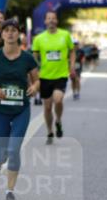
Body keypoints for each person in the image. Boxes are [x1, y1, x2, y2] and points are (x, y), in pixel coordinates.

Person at [0, 18, 40, 200]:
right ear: (2, 34)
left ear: (19, 34)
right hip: (0, 110)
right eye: (7, 30)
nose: (10, 33)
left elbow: (37, 79)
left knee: (14, 150)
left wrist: (35, 86)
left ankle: (9, 190)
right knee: (1, 153)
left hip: (21, 108)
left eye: (14, 30)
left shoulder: (27, 57)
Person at [31, 10, 76, 145]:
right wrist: (35, 74)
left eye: (53, 18)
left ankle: (58, 120)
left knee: (58, 99)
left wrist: (72, 66)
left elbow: (72, 50)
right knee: (47, 107)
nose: (51, 20)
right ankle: (50, 131)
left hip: (61, 75)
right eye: (48, 18)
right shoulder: (38, 39)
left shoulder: (65, 35)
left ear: (57, 21)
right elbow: (34, 58)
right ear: (45, 21)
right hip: (45, 77)